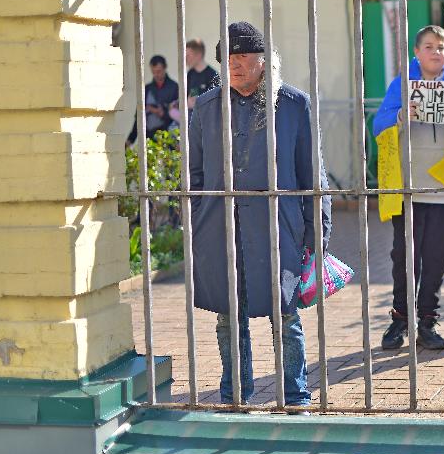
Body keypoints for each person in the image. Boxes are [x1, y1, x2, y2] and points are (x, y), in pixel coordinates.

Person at [188, 21, 331, 407]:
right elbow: (194, 175)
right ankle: (235, 392)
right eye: (229, 58)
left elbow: (312, 176)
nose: (236, 65)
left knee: (286, 315)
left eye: (244, 57)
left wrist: (318, 232)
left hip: (278, 226)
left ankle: (294, 392)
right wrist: (198, 226)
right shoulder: (205, 108)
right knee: (228, 317)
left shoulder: (294, 105)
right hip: (221, 227)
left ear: (264, 62)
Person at [372, 25, 444, 352]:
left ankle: (428, 321)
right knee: (404, 258)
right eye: (430, 47)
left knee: (436, 258)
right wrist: (401, 115)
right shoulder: (401, 87)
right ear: (417, 52)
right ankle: (400, 319)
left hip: (443, 187)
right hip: (407, 188)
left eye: (442, 47)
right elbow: (379, 124)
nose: (437, 52)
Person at [127, 54, 179, 145]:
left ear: (165, 67)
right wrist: (130, 140)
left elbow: (181, 117)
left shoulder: (175, 87)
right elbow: (139, 118)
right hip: (149, 139)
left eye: (159, 71)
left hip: (169, 139)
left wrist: (163, 113)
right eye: (153, 72)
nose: (156, 75)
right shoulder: (146, 89)